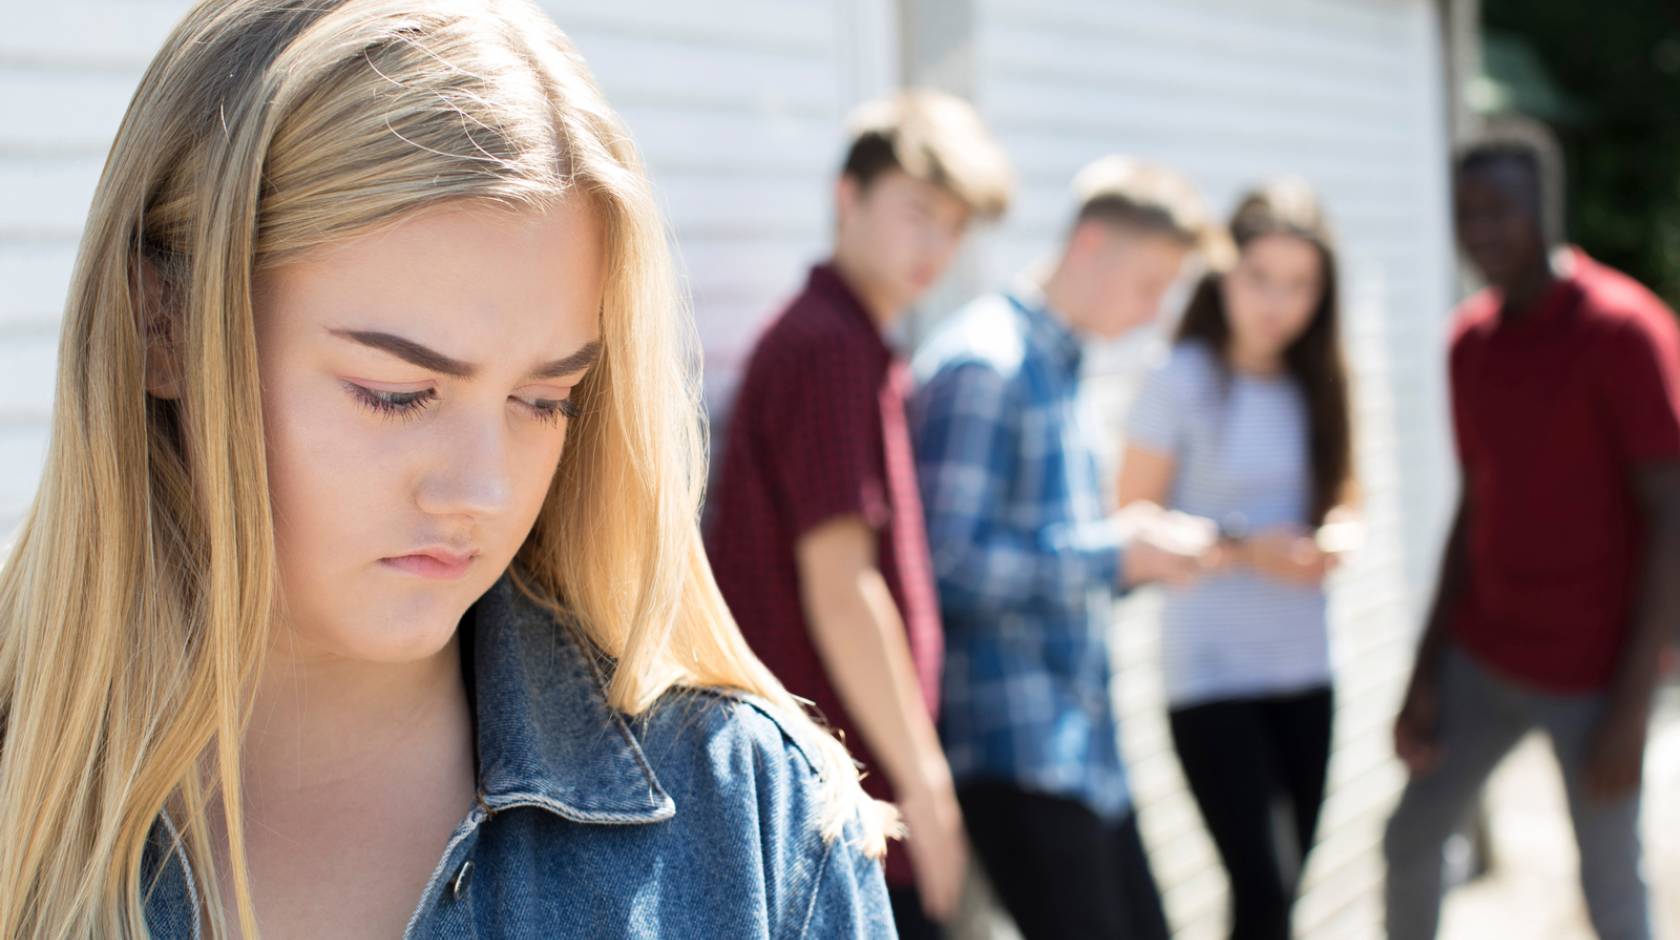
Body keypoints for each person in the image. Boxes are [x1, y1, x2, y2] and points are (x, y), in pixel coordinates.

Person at [0, 1, 895, 936]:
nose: (488, 491)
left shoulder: (757, 827)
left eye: (546, 401)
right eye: (395, 391)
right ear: (162, 326)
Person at [705, 89, 1012, 938]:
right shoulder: (827, 347)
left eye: (955, 227)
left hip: (839, 796)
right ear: (848, 196)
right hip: (843, 805)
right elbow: (843, 589)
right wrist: (927, 789)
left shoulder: (859, 346)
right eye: (919, 214)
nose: (937, 247)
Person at [909, 156, 1217, 940]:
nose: (1154, 314)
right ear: (1089, 244)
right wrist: (1116, 555)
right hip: (1015, 749)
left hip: (1081, 749)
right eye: (1150, 285)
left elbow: (1047, 557)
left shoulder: (1062, 368)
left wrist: (1141, 558)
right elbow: (946, 566)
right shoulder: (987, 364)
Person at [1384, 130, 1680, 940]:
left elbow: (1672, 515)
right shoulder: (1469, 344)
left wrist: (1636, 701)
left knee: (1611, 885)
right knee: (1409, 841)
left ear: (1542, 209)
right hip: (1482, 658)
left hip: (1593, 673)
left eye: (1498, 210)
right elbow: (1476, 505)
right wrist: (1424, 668)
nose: (1479, 230)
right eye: (1465, 212)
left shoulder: (1624, 332)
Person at [1117, 180, 1358, 940]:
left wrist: (1338, 541)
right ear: (1223, 274)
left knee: (1279, 900)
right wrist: (1251, 549)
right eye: (1260, 278)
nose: (1276, 304)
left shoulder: (1319, 380)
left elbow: (1350, 497)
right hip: (1211, 676)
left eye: (1299, 285)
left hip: (1307, 670)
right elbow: (1132, 523)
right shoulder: (1178, 378)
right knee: (1264, 888)